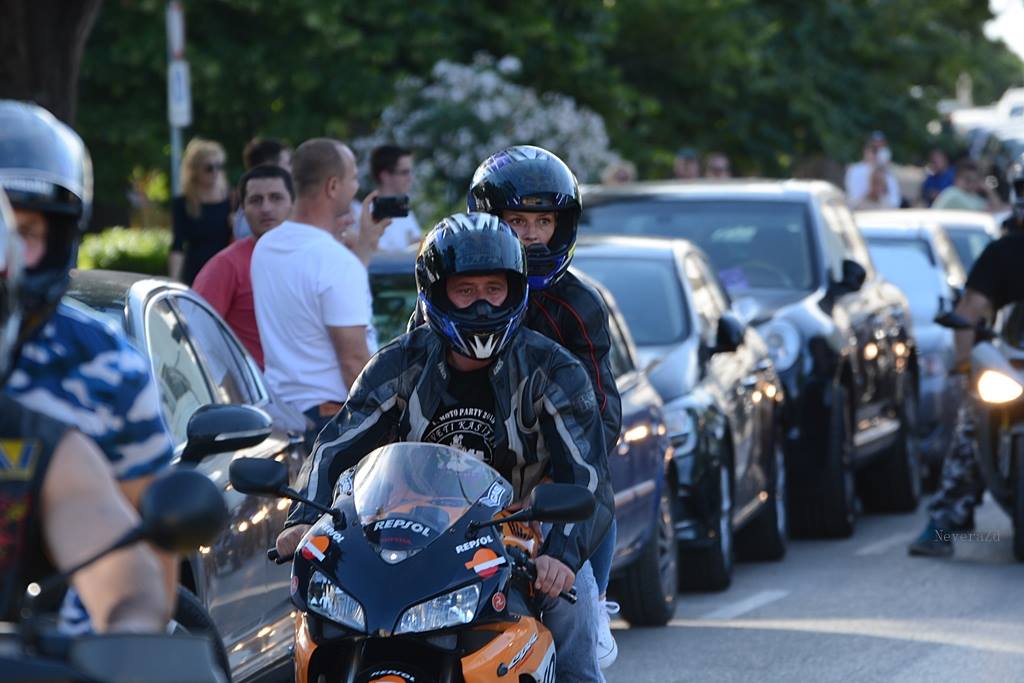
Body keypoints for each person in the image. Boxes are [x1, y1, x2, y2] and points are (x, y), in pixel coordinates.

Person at [276, 213, 613, 682]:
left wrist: (562, 555)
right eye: (465, 290)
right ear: (436, 293)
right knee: (325, 614)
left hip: (522, 531)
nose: (482, 304)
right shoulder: (398, 363)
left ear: (515, 291)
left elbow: (588, 475)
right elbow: (338, 443)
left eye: (494, 289)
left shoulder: (554, 369)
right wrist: (302, 518)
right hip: (410, 530)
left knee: (572, 607)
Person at [0, 100, 178, 632]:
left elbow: (139, 548)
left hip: (56, 655)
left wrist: (132, 632)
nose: (9, 255)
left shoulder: (93, 378)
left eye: (25, 232)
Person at [465, 145, 623, 668]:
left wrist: (555, 487)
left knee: (575, 618)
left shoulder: (579, 306)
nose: (531, 234)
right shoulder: (445, 299)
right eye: (516, 221)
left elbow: (603, 416)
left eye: (543, 221)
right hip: (464, 491)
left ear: (562, 226)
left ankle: (590, 623)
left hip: (552, 489)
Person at [251, 138, 389, 448]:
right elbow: (354, 363)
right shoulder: (335, 262)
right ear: (333, 186)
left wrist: (364, 248)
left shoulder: (266, 247)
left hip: (281, 418)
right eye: (353, 178)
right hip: (332, 421)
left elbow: (312, 300)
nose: (356, 187)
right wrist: (390, 422)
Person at [193, 165, 294, 369]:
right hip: (254, 387)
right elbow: (195, 336)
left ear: (294, 203)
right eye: (255, 200)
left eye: (276, 198)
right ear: (242, 209)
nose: (266, 208)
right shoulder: (226, 265)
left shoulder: (313, 258)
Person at [169, 138, 233, 286]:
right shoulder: (183, 203)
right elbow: (177, 245)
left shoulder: (232, 200)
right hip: (195, 274)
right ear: (194, 170)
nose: (215, 172)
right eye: (209, 168)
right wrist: (173, 282)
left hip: (226, 273)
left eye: (220, 166)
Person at [233, 136, 292, 240]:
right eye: (288, 163)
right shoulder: (248, 230)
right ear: (270, 166)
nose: (266, 208)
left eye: (276, 198)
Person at [845, 131, 900, 208]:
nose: (878, 152)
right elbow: (854, 200)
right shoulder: (855, 170)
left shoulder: (888, 173)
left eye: (881, 148)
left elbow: (895, 202)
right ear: (866, 150)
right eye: (874, 149)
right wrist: (870, 195)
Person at [932, 160, 1001, 211]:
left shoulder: (972, 196)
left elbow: (998, 208)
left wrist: (989, 191)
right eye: (967, 179)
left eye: (975, 180)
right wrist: (989, 191)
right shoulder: (953, 193)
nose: (971, 183)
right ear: (956, 179)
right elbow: (987, 213)